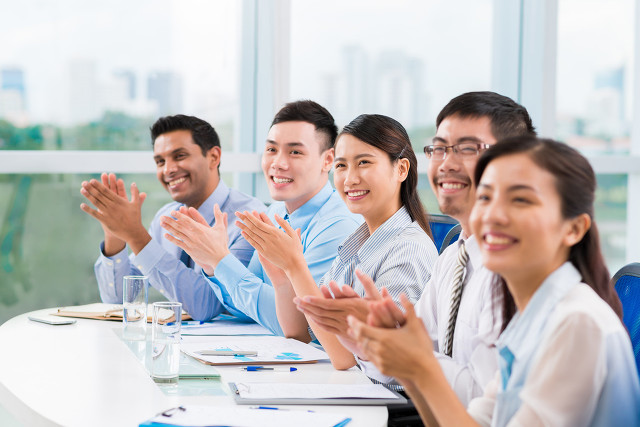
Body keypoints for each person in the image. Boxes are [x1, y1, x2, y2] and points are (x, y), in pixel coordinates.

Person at [348, 137, 640, 426]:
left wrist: (422, 366)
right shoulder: (530, 317)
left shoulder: (577, 322)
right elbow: (472, 422)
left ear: (574, 228)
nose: (493, 215)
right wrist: (410, 366)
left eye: (521, 200)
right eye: (486, 197)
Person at [295, 92, 535, 404]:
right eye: (439, 149)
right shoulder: (453, 259)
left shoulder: (517, 277)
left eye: (466, 148)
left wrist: (394, 349)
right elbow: (405, 359)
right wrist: (374, 341)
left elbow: (484, 402)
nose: (447, 163)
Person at [236, 114, 438, 369]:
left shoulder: (409, 251)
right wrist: (283, 277)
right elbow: (300, 332)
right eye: (341, 166)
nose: (349, 179)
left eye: (364, 162)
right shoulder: (357, 244)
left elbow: (349, 360)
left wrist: (296, 265)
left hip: (378, 401)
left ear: (401, 169)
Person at [159, 100, 361, 335]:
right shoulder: (274, 212)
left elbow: (299, 325)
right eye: (271, 150)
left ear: (328, 160)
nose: (278, 163)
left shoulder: (339, 226)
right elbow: (245, 309)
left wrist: (221, 260)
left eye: (295, 152)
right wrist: (212, 265)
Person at [80, 114, 265, 321]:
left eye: (179, 156)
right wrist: (115, 235)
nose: (168, 170)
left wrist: (136, 236)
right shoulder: (166, 217)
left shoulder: (249, 219)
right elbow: (117, 300)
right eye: (160, 161)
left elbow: (208, 306)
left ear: (214, 157)